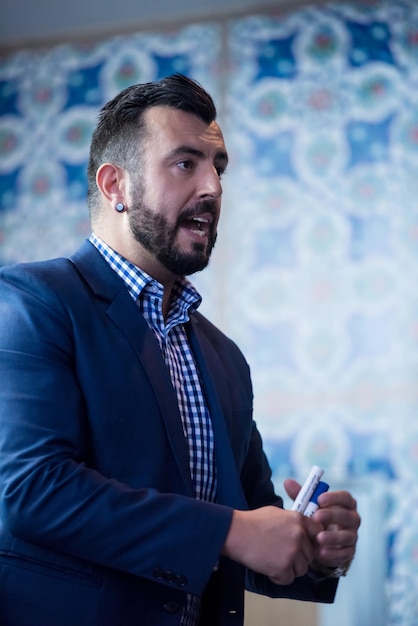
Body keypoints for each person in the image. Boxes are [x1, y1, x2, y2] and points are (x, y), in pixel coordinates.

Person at [0, 74, 360, 626]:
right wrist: (232, 530)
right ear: (115, 186)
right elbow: (32, 491)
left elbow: (247, 526)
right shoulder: (35, 301)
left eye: (218, 167)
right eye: (186, 163)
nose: (213, 187)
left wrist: (311, 548)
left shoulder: (225, 358)